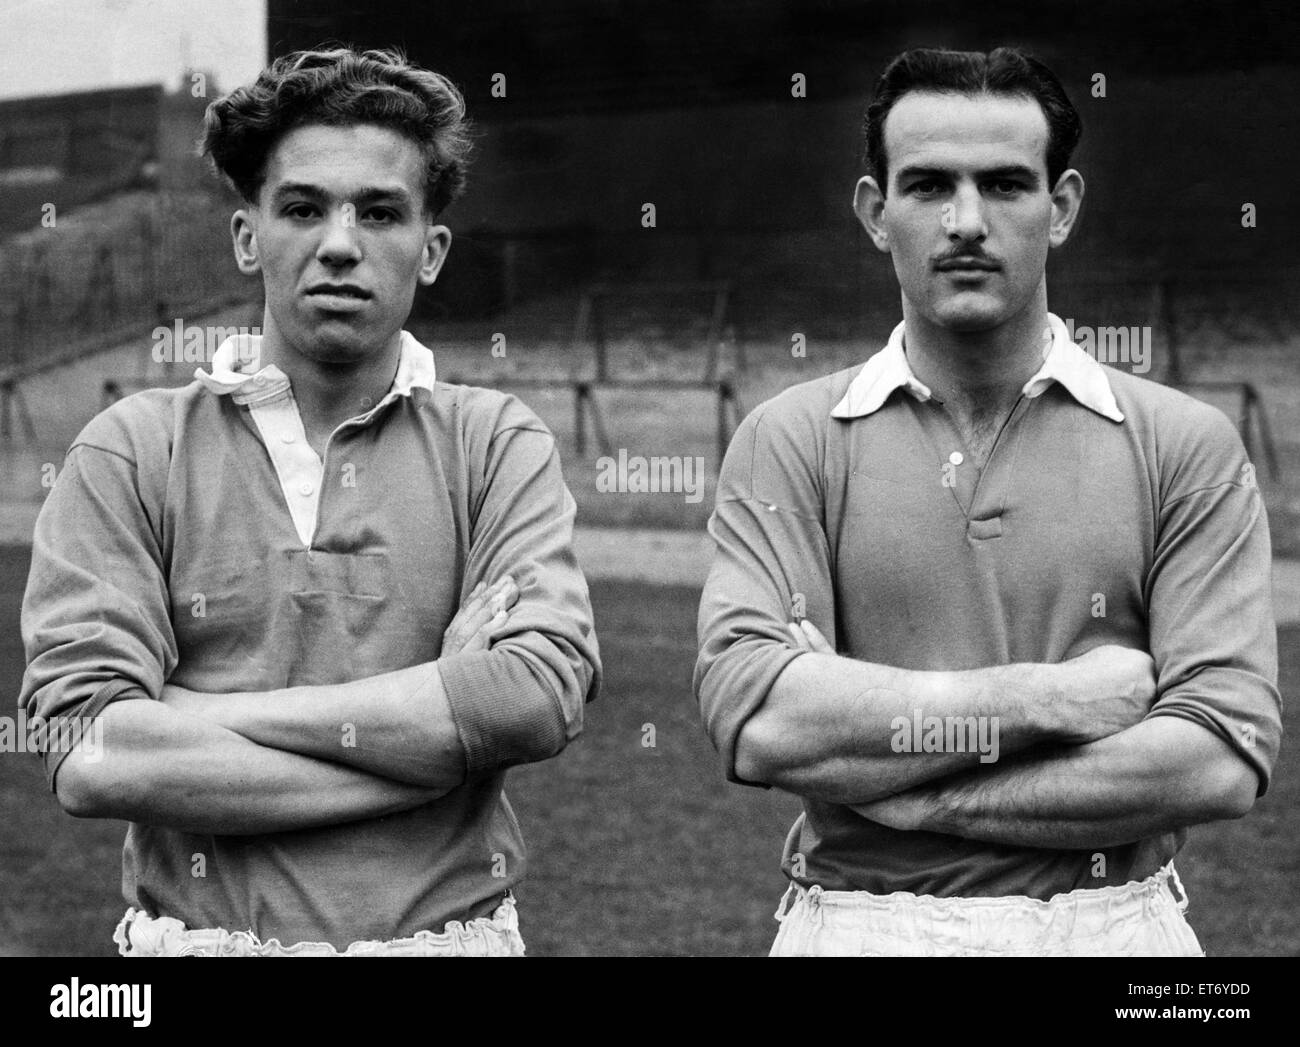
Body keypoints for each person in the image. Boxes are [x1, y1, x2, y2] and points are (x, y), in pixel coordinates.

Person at [693, 46, 1280, 957]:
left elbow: (1217, 756)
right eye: (928, 186)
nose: (966, 221)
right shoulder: (789, 440)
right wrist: (1057, 699)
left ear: (1063, 207)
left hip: (1119, 930)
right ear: (874, 212)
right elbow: (767, 728)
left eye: (1006, 185)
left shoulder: (1184, 443)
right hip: (858, 925)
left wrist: (918, 792)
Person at [20, 46, 601, 957]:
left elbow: (532, 698)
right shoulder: (132, 447)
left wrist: (197, 713)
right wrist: (433, 742)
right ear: (248, 236)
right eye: (302, 207)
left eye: (379, 211)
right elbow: (92, 754)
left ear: (432, 248)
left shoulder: (496, 441)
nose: (340, 242)